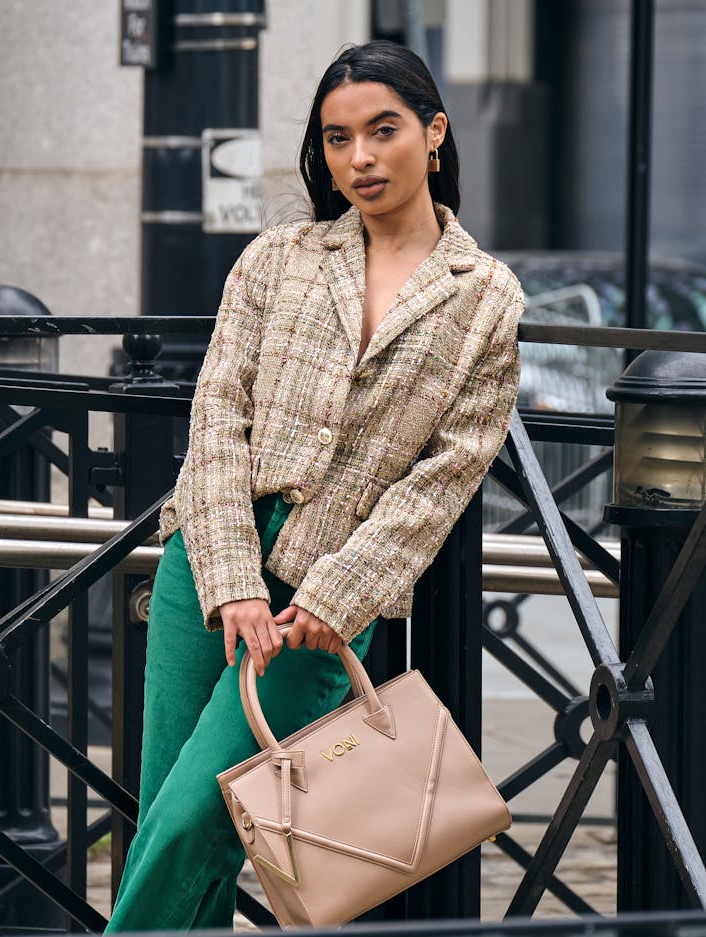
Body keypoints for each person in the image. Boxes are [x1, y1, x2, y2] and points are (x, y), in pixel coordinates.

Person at [106, 39, 523, 932]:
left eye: (383, 131)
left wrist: (336, 594)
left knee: (193, 824)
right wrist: (231, 582)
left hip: (326, 597)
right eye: (338, 140)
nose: (360, 159)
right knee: (169, 823)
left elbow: (445, 475)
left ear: (436, 132)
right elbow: (216, 418)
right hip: (208, 569)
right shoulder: (278, 258)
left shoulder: (485, 296)